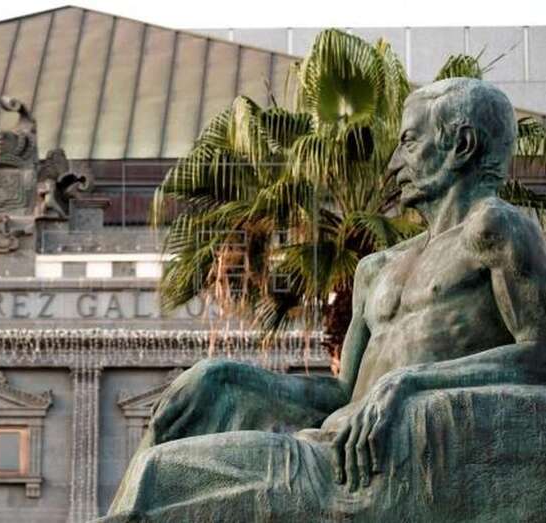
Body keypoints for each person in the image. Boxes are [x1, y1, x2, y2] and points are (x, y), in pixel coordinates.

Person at [98, 78, 546, 522]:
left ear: (462, 145)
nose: (393, 163)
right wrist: (231, 378)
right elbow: (341, 392)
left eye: (409, 142)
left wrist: (411, 381)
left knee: (163, 480)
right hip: (326, 451)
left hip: (390, 466)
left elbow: (538, 354)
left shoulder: (495, 228)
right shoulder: (376, 268)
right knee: (162, 462)